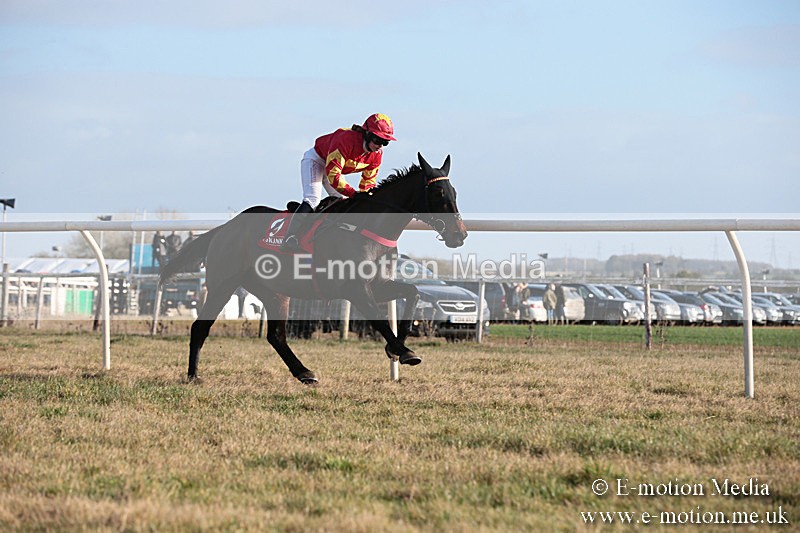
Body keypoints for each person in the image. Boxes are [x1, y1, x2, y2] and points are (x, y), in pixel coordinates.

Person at [281, 113, 397, 252]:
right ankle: (290, 237)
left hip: (332, 169)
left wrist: (366, 197)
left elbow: (368, 182)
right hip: (316, 161)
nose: (380, 146)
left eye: (385, 142)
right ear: (367, 134)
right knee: (312, 199)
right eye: (378, 140)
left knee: (343, 202)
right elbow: (334, 176)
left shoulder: (376, 156)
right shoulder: (346, 140)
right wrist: (354, 194)